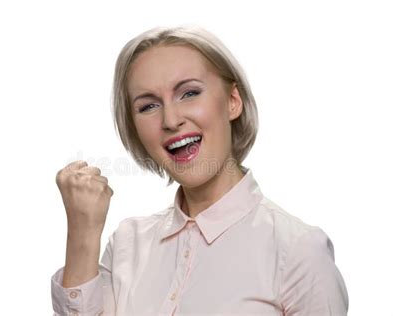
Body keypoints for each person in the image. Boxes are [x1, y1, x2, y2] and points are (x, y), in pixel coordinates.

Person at [51, 25, 349, 316]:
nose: (170, 119)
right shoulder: (128, 244)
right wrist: (83, 231)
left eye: (189, 93)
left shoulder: (298, 250)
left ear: (233, 102)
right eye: (148, 106)